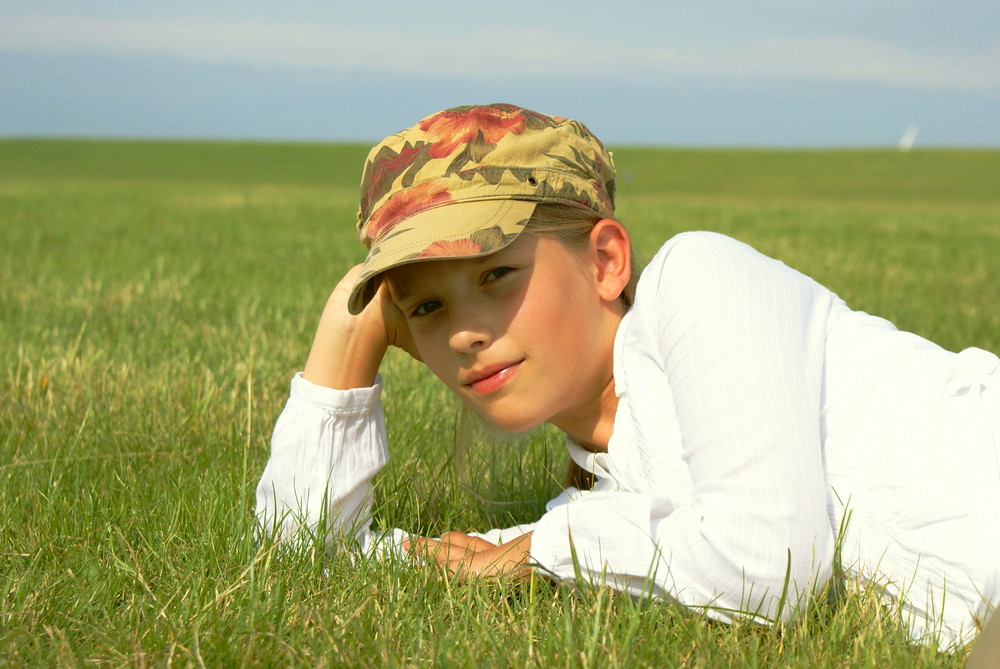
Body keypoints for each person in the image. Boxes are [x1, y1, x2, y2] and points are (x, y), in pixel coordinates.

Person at [255, 103, 1000, 651]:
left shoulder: (698, 280)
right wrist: (350, 333)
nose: (462, 331)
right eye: (426, 305)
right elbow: (302, 554)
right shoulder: (610, 506)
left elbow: (772, 565)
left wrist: (543, 551)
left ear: (606, 260)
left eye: (497, 273)